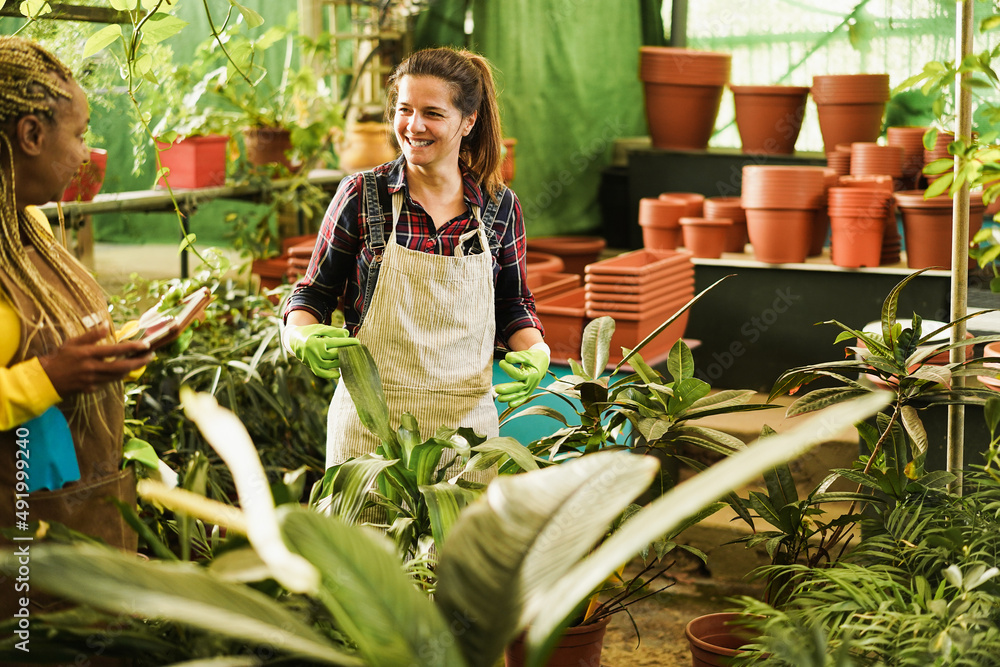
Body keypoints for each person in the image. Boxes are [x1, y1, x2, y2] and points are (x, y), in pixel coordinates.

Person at [283, 47, 549, 475]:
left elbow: (513, 303)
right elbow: (313, 293)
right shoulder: (362, 196)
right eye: (404, 109)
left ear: (468, 121)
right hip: (368, 434)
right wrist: (298, 333)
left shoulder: (500, 208)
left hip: (465, 438)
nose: (413, 125)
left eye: (433, 113)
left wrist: (536, 350)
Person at [0, 35, 152, 605]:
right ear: (31, 135)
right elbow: (44, 368)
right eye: (81, 135)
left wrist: (122, 349)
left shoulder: (28, 227)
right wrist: (50, 378)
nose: (87, 155)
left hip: (73, 515)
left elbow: (48, 343)